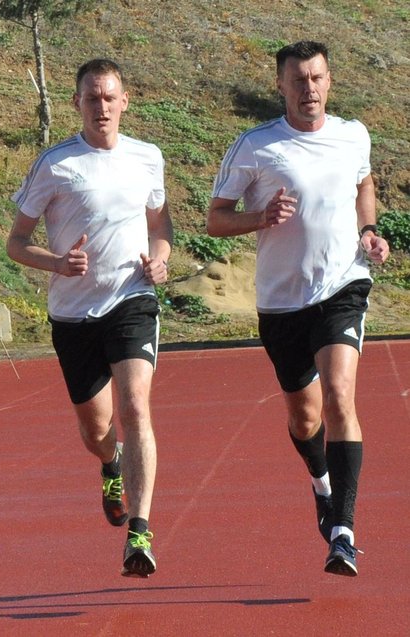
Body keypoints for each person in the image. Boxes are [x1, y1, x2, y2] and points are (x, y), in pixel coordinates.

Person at [207, 41, 388, 577]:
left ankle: (344, 530)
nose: (308, 89)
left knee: (338, 395)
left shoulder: (353, 135)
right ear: (280, 86)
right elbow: (217, 219)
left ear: (329, 81)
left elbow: (364, 182)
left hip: (343, 286)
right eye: (297, 80)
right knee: (304, 415)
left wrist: (370, 230)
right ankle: (320, 484)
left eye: (316, 78)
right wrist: (259, 217)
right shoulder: (255, 146)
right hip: (283, 302)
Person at [6, 59, 172, 577]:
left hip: (131, 299)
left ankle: (139, 531)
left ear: (125, 101)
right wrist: (56, 263)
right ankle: (110, 464)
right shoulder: (56, 164)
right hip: (73, 314)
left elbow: (160, 224)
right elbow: (16, 242)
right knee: (97, 427)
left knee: (135, 407)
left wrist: (160, 259)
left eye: (109, 97)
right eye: (91, 98)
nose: (101, 107)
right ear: (77, 103)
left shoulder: (147, 158)